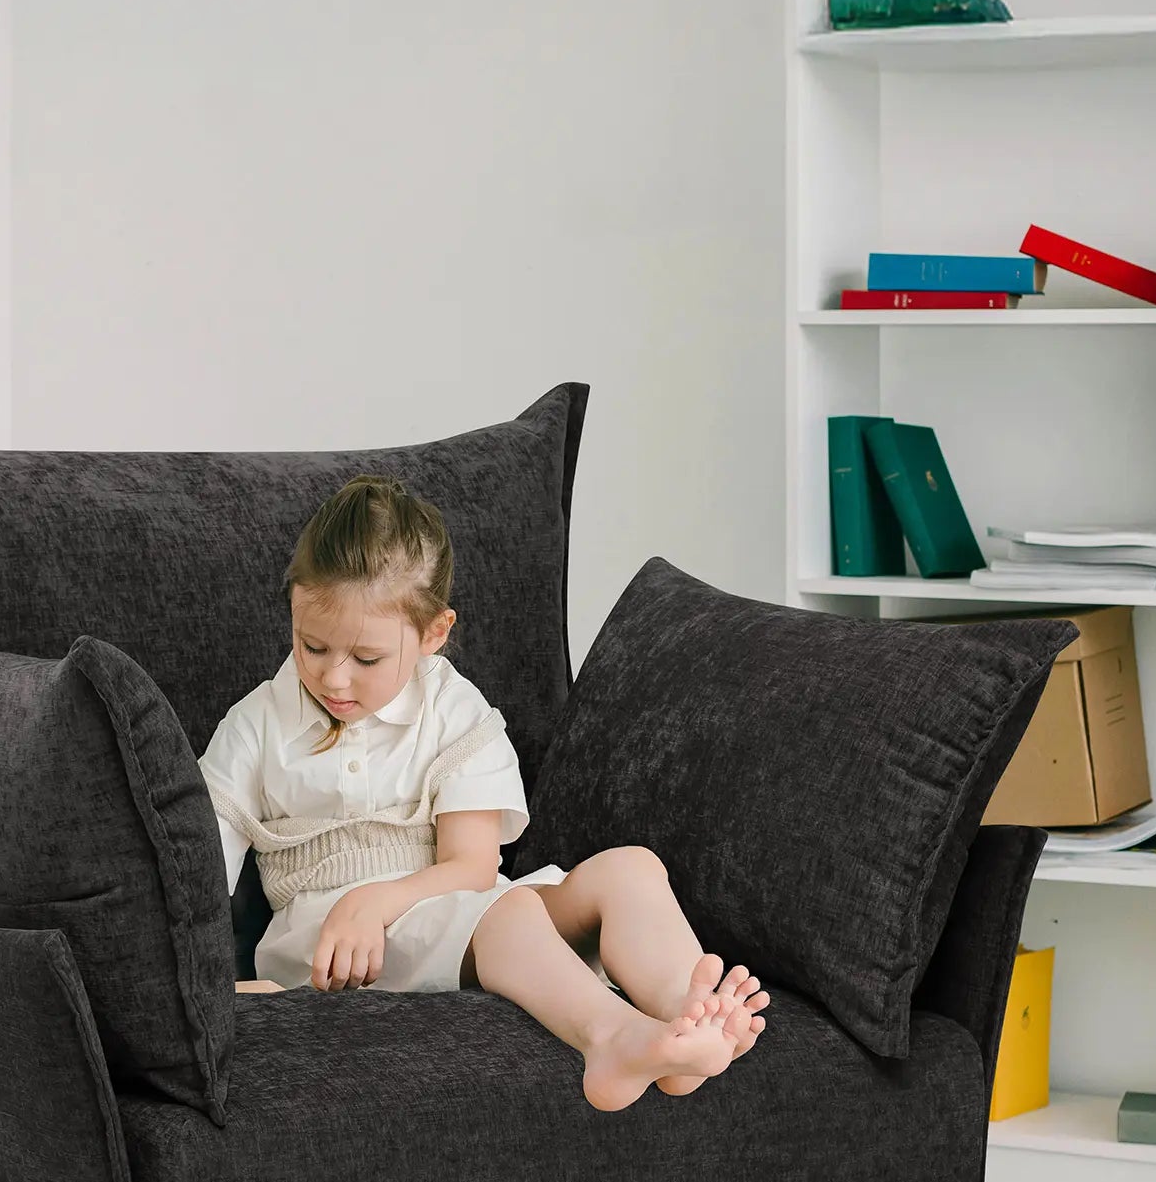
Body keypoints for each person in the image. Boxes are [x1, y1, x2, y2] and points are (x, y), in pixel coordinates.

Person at [201, 475, 767, 1112]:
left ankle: (682, 1019)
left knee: (630, 868)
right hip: (333, 943)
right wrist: (210, 980)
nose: (334, 677)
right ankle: (611, 1038)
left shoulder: (452, 710)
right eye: (312, 646)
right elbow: (194, 872)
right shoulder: (258, 725)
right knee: (512, 916)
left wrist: (379, 898)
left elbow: (472, 869)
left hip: (454, 900)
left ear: (434, 634)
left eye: (366, 658)